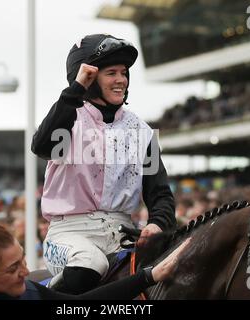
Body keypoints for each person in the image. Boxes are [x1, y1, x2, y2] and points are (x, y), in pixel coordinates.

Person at [31, 34, 176, 294]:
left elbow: (160, 193)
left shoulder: (141, 130)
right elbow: (40, 147)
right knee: (91, 263)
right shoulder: (67, 118)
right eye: (111, 73)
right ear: (88, 77)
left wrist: (157, 223)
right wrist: (74, 90)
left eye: (124, 72)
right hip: (68, 236)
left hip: (122, 236)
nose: (121, 80)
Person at [0, 221, 190, 300]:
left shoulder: (29, 292)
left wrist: (150, 275)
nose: (26, 272)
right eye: (13, 268)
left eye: (23, 260)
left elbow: (79, 305)